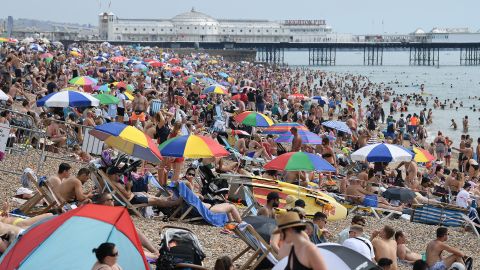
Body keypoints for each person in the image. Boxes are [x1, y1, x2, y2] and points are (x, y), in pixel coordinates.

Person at [106, 167, 181, 208]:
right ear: (113, 175)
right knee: (156, 201)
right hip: (131, 200)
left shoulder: (111, 181)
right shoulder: (115, 184)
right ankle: (174, 203)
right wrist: (129, 187)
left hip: (132, 197)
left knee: (147, 195)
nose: (119, 177)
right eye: (118, 175)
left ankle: (168, 199)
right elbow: (128, 196)